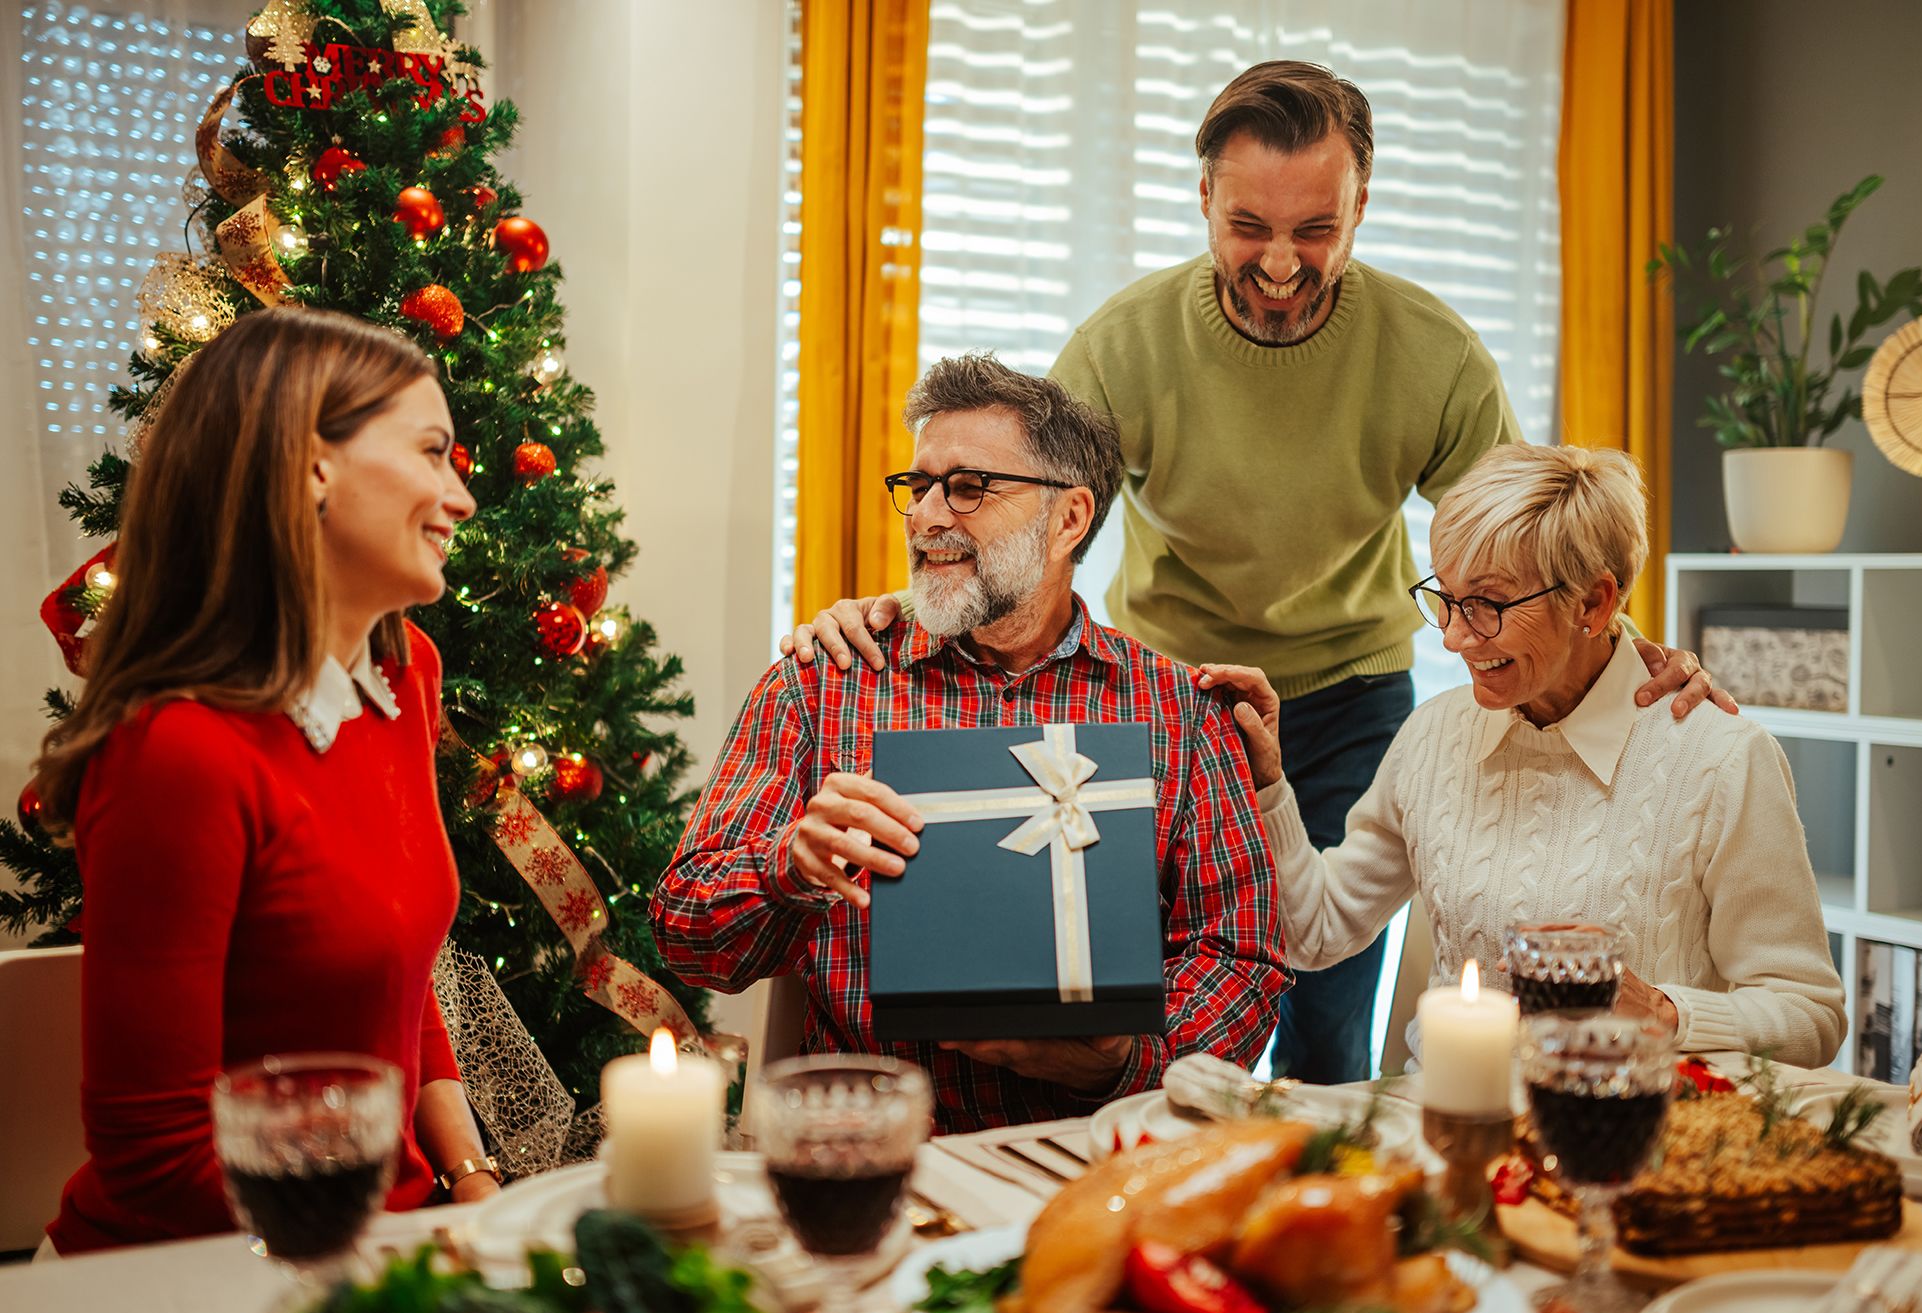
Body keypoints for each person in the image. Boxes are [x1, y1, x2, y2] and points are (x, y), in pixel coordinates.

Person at [780, 60, 1732, 1084]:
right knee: (1143, 998)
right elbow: (1026, 513)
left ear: (1360, 205)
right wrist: (922, 597)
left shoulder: (1435, 356)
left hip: (1350, 696)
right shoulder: (1123, 347)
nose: (1280, 263)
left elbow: (1533, 545)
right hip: (1176, 698)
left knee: (1325, 1018)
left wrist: (1622, 651)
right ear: (1203, 199)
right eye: (1248, 226)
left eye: (1314, 229)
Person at [653, 353, 1286, 1133]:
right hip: (873, 1152)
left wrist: (1123, 1065)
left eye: (967, 486)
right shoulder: (822, 685)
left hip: (1098, 1149)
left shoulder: (1178, 712)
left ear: (1069, 518)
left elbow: (1243, 961)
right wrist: (788, 866)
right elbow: (684, 937)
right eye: (918, 486)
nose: (926, 517)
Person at [35, 307, 493, 1255]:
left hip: (381, 1239)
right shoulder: (179, 749)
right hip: (203, 1271)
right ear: (313, 467)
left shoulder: (407, 675)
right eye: (433, 452)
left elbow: (395, 972)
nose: (461, 497)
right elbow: (155, 1154)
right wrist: (396, 1262)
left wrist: (470, 1177)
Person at [1199, 444, 1845, 1068]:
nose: (1454, 638)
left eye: (1487, 604)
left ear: (1593, 602)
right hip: (1445, 1118)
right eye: (1448, 599)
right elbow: (1314, 931)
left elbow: (1810, 1015)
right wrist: (1268, 783)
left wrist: (1663, 1012)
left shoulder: (1722, 760)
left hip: (1630, 1126)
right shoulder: (1432, 736)